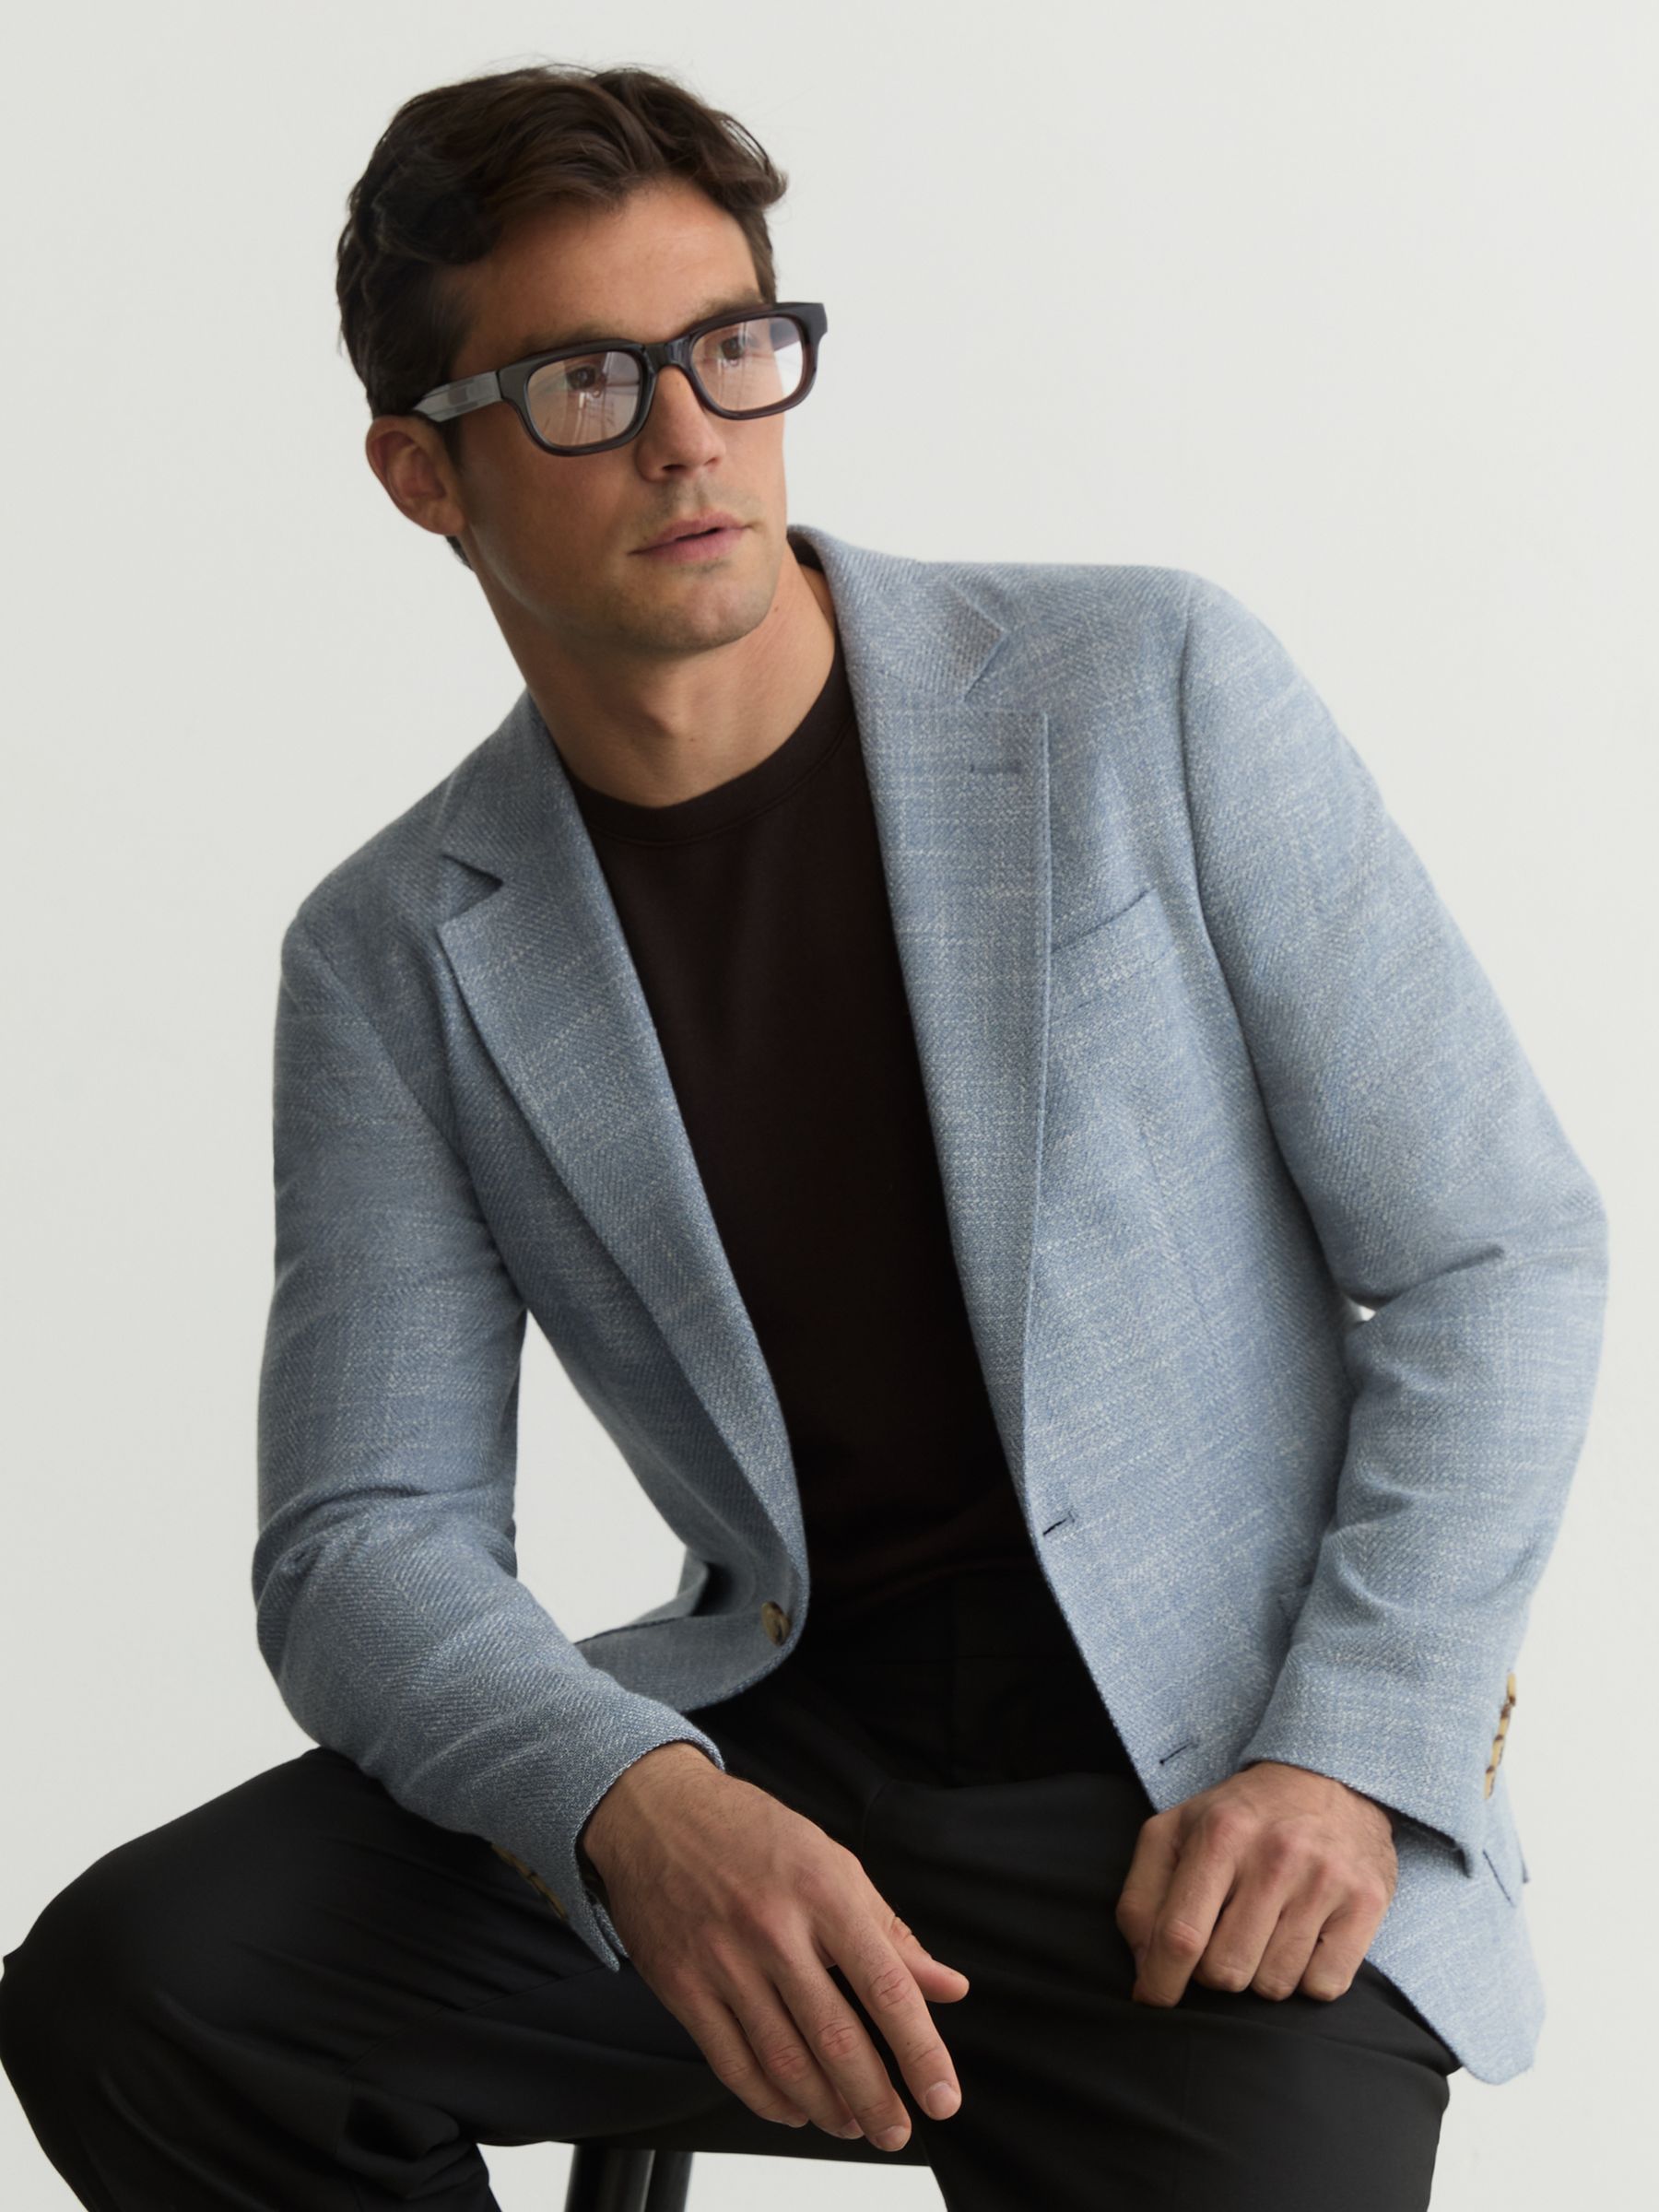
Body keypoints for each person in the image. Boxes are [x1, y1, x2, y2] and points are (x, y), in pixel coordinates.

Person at [0, 58, 1608, 2212]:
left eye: (731, 347)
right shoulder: (397, 952)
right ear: (420, 471)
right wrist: (635, 1806)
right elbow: (365, 1533)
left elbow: (1497, 1255)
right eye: (584, 381)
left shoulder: (1144, 686)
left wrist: (1349, 1751)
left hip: (1214, 1800)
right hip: (789, 1754)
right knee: (150, 1990)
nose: (688, 436)